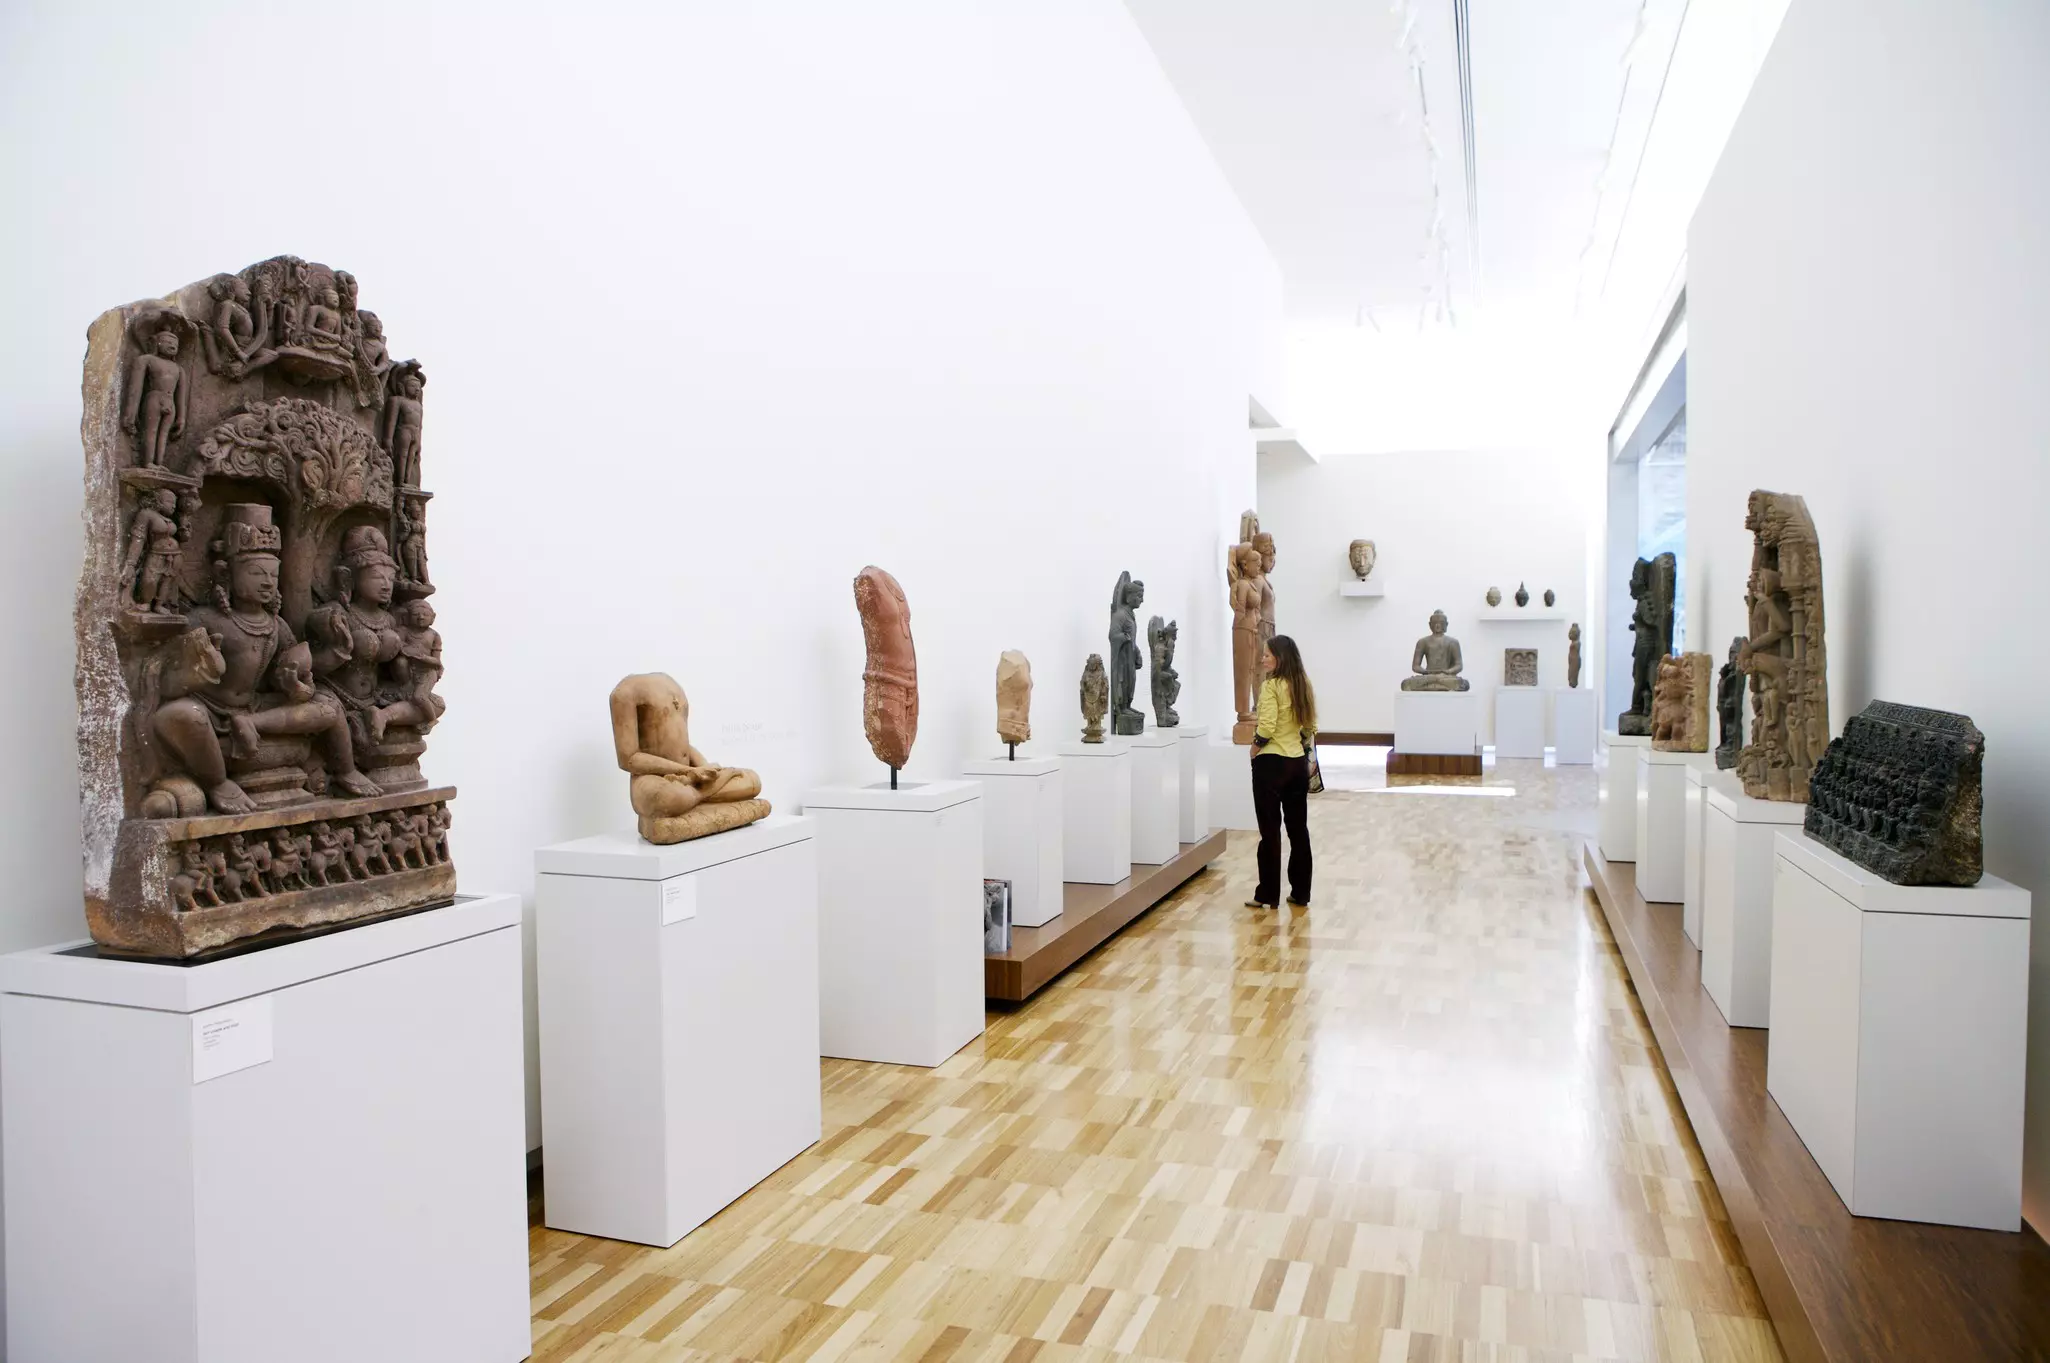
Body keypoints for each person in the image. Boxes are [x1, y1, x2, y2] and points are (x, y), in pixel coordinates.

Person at [1247, 634, 1316, 909]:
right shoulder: (1303, 684)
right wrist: (1303, 748)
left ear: (1280, 658)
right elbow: (1310, 726)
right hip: (1297, 763)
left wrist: (1255, 747)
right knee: (1298, 830)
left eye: (1267, 655)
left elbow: (1267, 725)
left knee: (1270, 831)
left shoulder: (1271, 686)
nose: (1262, 659)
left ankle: (1267, 894)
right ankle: (1301, 892)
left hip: (1270, 764)